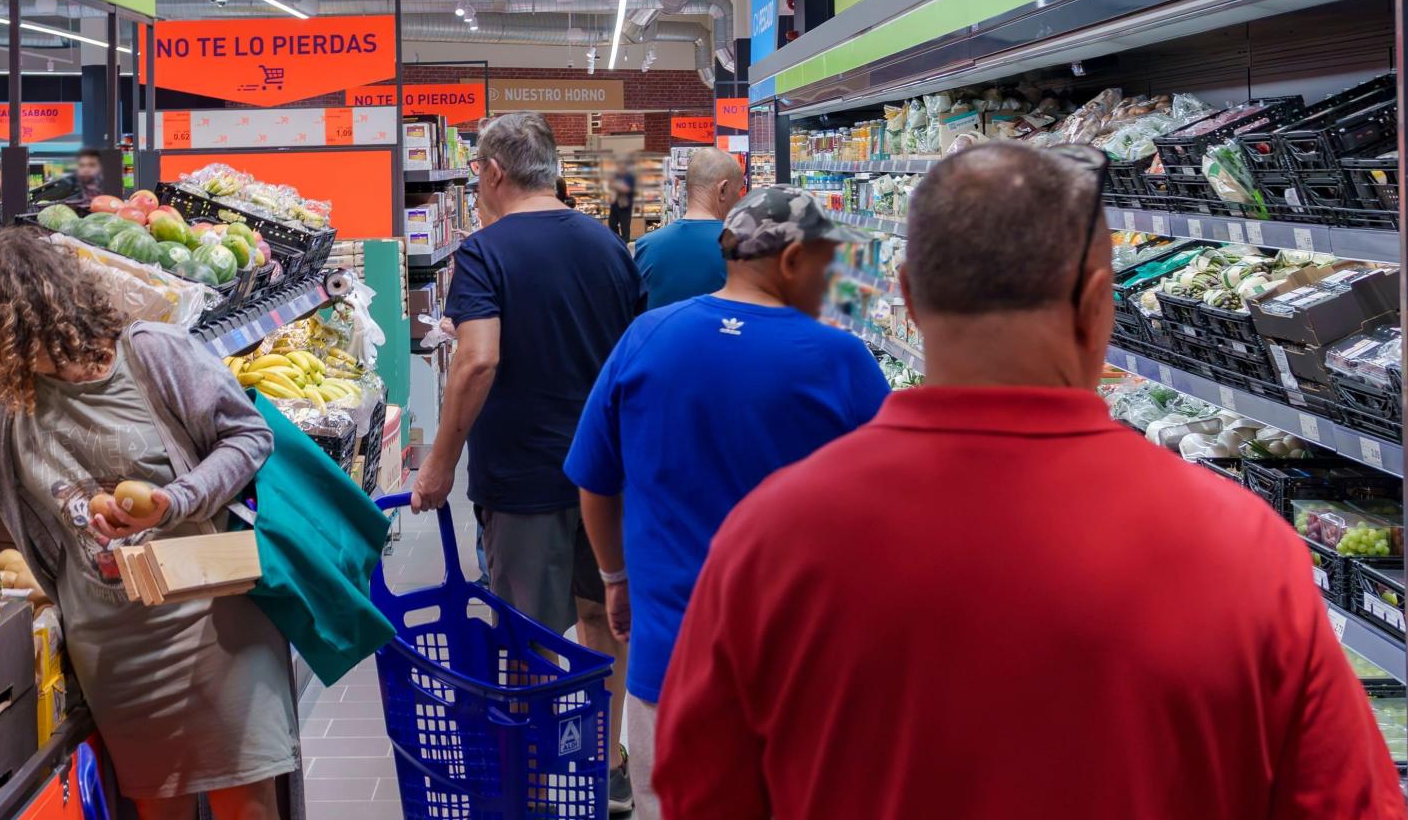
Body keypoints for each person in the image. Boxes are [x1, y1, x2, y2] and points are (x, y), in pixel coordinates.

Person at [652, 142, 1405, 820]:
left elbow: (701, 790)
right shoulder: (1245, 550)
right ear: (1099, 303)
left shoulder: (769, 538)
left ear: (909, 298)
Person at [0, 227, 295, 820]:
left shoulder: (150, 354)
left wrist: (175, 499)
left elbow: (249, 436)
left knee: (246, 809)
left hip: (215, 627)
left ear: (19, 313)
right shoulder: (0, 421)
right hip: (120, 656)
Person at [567, 185, 888, 819]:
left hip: (670, 658)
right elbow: (895, 502)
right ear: (794, 263)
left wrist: (614, 578)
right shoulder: (839, 359)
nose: (835, 279)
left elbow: (595, 480)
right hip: (799, 666)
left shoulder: (647, 337)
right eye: (829, 262)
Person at [409, 112, 640, 812]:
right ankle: (604, 762)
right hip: (606, 475)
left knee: (529, 632)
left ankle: (537, 775)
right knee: (603, 620)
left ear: (493, 172)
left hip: (527, 480)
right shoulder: (606, 244)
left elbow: (477, 360)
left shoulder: (485, 253)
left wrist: (439, 464)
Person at [633, 147, 744, 309]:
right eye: (739, 191)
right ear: (723, 190)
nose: (740, 199)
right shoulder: (739, 246)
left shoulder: (646, 246)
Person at [608, 160, 636, 240]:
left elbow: (626, 189)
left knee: (625, 228)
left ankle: (625, 244)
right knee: (612, 224)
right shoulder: (616, 176)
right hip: (614, 205)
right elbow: (611, 186)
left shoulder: (629, 177)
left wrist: (615, 185)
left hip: (625, 206)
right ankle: (617, 240)